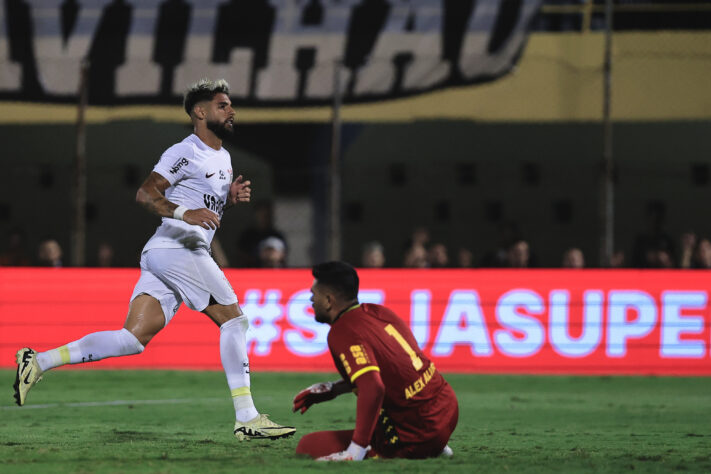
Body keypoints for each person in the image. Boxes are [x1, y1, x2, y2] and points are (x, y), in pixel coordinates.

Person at [13, 78, 295, 441]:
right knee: (234, 322)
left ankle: (37, 362)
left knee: (132, 339)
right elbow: (146, 193)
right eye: (222, 105)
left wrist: (228, 196)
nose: (231, 110)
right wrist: (182, 213)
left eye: (230, 105)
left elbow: (202, 201)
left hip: (168, 252)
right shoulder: (185, 150)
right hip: (179, 248)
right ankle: (247, 418)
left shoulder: (222, 157)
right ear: (200, 111)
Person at [292, 261, 458, 461]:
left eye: (314, 294)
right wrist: (335, 389)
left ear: (328, 300)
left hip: (417, 433)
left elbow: (373, 387)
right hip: (447, 410)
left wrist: (356, 450)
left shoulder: (342, 331)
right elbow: (396, 370)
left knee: (308, 445)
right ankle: (436, 446)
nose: (311, 300)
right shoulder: (378, 312)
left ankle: (419, 447)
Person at [236, 200, 287, 267]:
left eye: (267, 214)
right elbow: (241, 256)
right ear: (256, 215)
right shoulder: (247, 236)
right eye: (261, 214)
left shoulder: (277, 235)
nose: (264, 217)